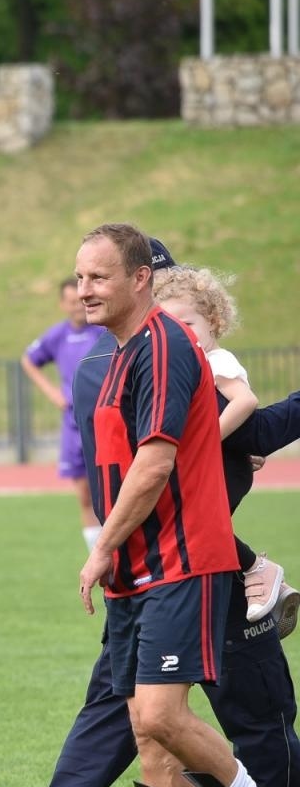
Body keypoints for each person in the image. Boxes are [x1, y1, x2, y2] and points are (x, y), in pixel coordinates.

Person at [8, 252, 300, 787]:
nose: (174, 331)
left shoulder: (142, 370)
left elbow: (192, 455)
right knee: (160, 721)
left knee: (168, 718)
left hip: (179, 571)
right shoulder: (129, 372)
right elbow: (155, 467)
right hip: (161, 573)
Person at [152, 264, 297, 630]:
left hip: (221, 468)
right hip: (219, 461)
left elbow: (245, 402)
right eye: (173, 326)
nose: (182, 334)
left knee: (196, 526)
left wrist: (207, 443)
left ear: (213, 321)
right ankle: (261, 590)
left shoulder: (216, 361)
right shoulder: (187, 362)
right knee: (198, 533)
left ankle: (258, 572)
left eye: (189, 324)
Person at [20, 277, 107, 551]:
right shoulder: (57, 335)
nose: (77, 307)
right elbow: (28, 360)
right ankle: (98, 555)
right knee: (84, 496)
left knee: (112, 492)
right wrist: (52, 392)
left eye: (79, 300)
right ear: (63, 304)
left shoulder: (104, 331)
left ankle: (119, 549)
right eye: (70, 302)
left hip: (104, 424)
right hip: (72, 426)